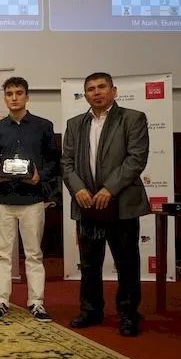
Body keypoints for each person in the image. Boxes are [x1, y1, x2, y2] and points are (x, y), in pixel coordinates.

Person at [62, 72, 150, 337]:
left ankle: (128, 314)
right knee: (89, 262)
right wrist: (77, 189)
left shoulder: (133, 118)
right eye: (90, 89)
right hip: (86, 204)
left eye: (102, 87)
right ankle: (90, 311)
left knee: (126, 261)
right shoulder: (75, 123)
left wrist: (109, 189)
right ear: (85, 94)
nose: (96, 92)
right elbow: (66, 163)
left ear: (114, 90)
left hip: (121, 203)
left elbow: (136, 159)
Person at [0, 77, 59, 322]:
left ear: (27, 96)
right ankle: (1, 301)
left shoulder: (44, 126)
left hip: (33, 200)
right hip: (3, 200)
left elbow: (53, 162)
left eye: (19, 93)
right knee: (3, 253)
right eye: (9, 93)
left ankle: (36, 303)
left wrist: (40, 176)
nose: (14, 97)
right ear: (4, 97)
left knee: (34, 253)